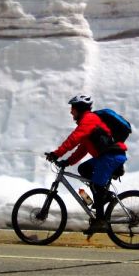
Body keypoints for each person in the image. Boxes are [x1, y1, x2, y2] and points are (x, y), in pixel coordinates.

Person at [46, 95, 127, 234]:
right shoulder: (88, 123)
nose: (71, 112)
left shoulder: (89, 120)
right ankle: (102, 196)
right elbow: (82, 149)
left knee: (96, 185)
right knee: (84, 169)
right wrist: (67, 161)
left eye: (73, 109)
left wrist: (56, 153)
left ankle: (100, 221)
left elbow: (73, 139)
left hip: (111, 157)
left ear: (80, 109)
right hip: (107, 157)